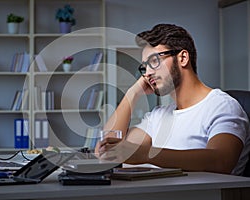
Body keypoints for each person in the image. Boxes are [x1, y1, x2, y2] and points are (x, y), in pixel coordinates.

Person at [96, 23, 250, 175]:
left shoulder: (222, 106)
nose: (147, 73)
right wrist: (132, 93)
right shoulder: (158, 115)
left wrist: (146, 154)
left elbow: (221, 161)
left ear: (183, 58)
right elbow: (106, 151)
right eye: (145, 67)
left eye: (154, 61)